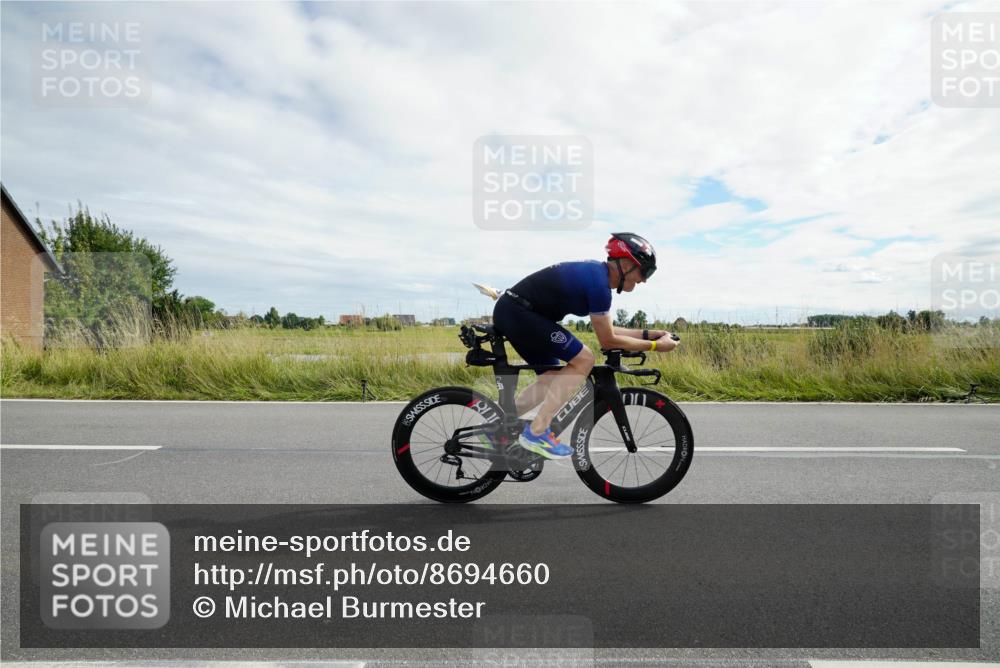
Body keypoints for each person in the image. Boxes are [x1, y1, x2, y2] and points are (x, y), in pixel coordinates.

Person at [492, 233, 679, 459]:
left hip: (516, 312)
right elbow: (607, 340)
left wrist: (652, 335)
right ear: (627, 264)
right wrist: (654, 346)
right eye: (645, 271)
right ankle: (537, 432)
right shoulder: (598, 284)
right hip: (519, 313)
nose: (644, 280)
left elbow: (607, 328)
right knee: (584, 359)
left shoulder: (597, 277)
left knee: (551, 377)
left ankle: (497, 428)